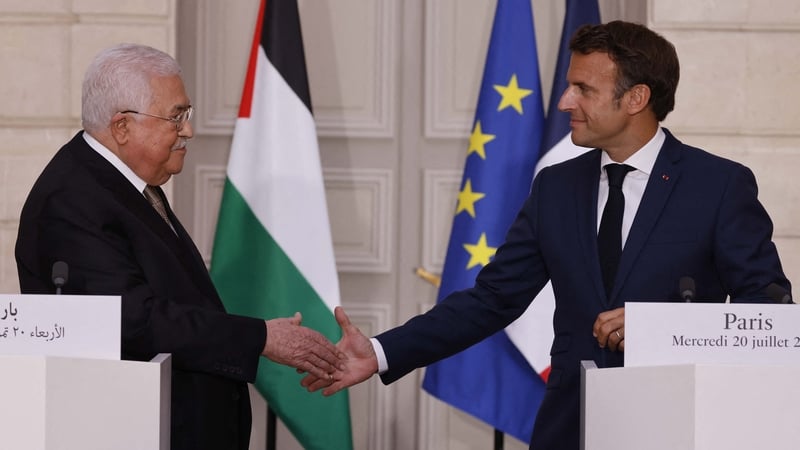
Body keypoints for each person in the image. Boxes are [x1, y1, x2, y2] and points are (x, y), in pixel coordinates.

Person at [302, 20, 792, 450]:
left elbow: (768, 315)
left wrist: (662, 331)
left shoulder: (719, 186)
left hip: (678, 425)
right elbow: (492, 299)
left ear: (637, 98)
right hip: (568, 427)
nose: (564, 102)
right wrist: (383, 351)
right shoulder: (556, 184)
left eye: (583, 89)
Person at [15, 43, 342, 450]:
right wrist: (260, 338)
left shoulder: (123, 182)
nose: (188, 130)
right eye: (176, 117)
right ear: (122, 127)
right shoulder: (71, 200)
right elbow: (130, 321)